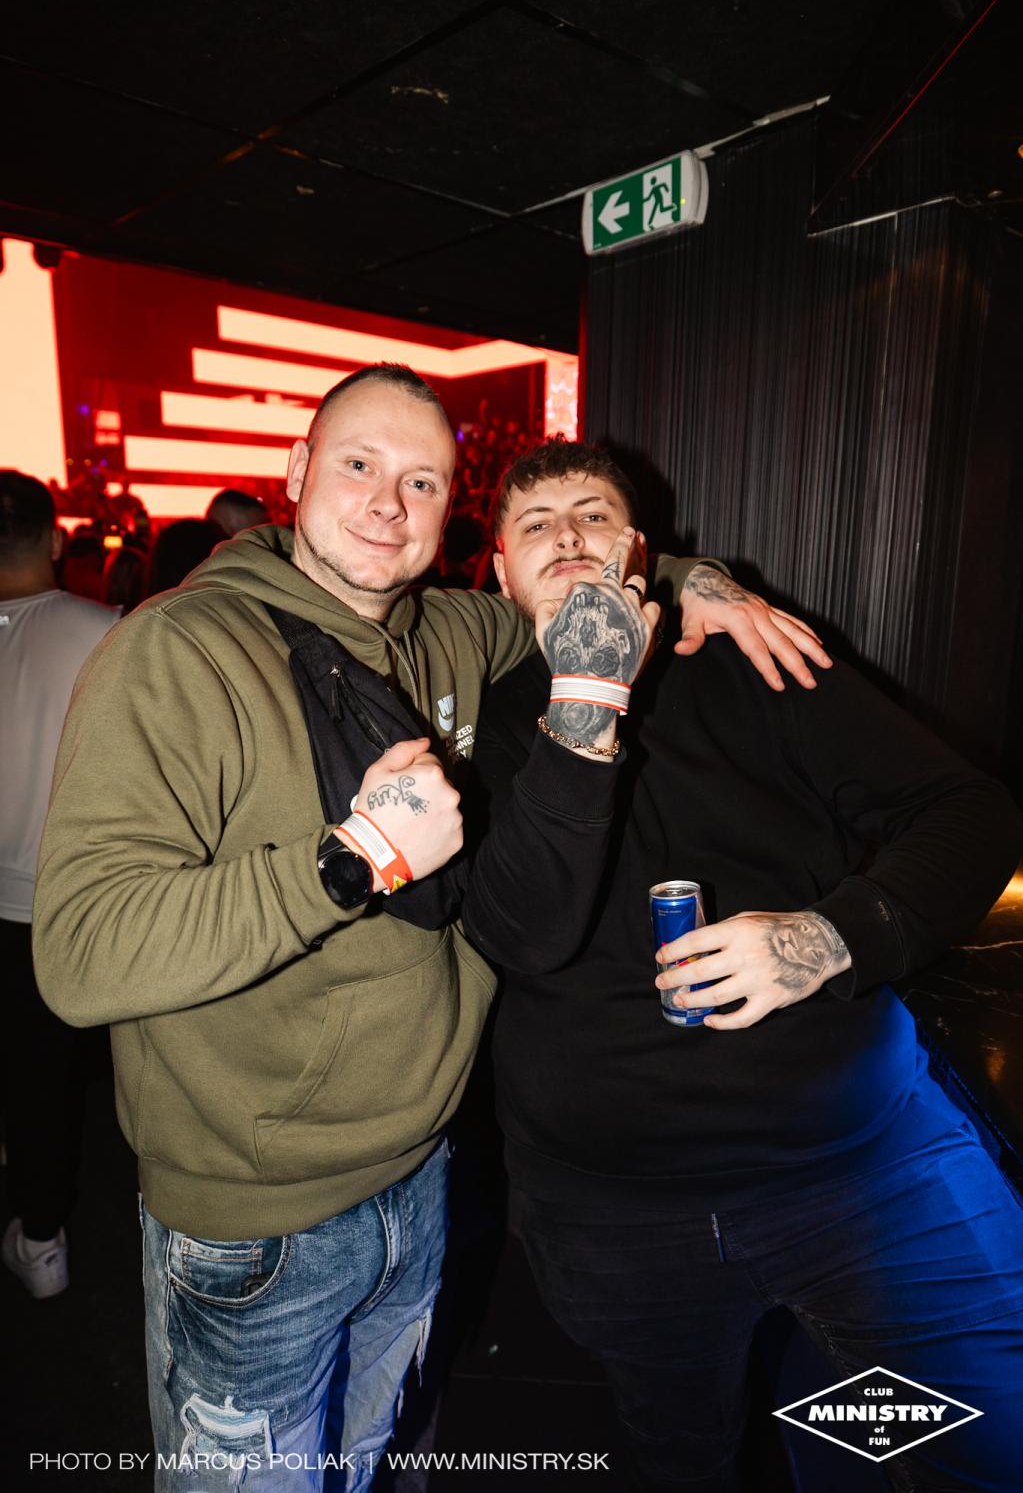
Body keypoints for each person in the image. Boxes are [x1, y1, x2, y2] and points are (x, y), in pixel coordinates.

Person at [32, 367, 824, 1491]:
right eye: (358, 464)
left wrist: (703, 583)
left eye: (422, 482)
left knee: (371, 1467)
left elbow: (574, 572)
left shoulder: (447, 630)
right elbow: (80, 955)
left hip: (421, 1176)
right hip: (256, 1225)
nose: (387, 503)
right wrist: (351, 858)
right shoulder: (180, 652)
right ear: (297, 471)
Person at [474, 436, 1023, 1493]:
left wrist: (826, 939)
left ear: (639, 553)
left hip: (863, 1163)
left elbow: (969, 812)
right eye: (535, 525)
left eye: (593, 517)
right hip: (615, 1211)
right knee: (684, 1460)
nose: (568, 537)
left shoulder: (752, 663)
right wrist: (585, 698)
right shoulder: (483, 723)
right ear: (499, 572)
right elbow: (521, 932)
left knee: (975, 1447)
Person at [0, 470, 119, 1298]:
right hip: (63, 901)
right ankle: (42, 1243)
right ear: (53, 537)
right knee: (46, 1078)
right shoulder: (105, 632)